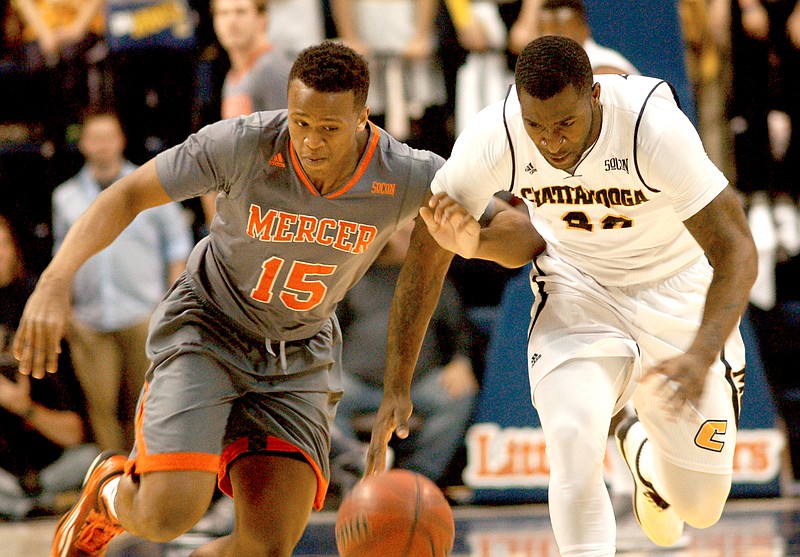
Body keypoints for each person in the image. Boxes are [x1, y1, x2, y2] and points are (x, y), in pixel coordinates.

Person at [14, 41, 449, 557]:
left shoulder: (405, 174)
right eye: (301, 122)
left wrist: (552, 235)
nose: (310, 141)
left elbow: (481, 232)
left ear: (362, 120)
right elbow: (128, 194)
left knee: (264, 548)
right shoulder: (244, 143)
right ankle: (108, 494)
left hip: (297, 354)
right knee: (168, 514)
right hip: (209, 329)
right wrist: (54, 280)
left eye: (329, 129)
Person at [365, 36, 757, 556]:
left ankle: (641, 454)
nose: (550, 141)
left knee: (701, 506)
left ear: (594, 94)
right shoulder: (497, 133)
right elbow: (426, 253)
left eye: (565, 124)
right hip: (578, 286)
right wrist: (398, 381)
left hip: (675, 286)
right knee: (572, 444)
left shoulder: (651, 128)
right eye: (537, 126)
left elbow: (738, 250)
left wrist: (702, 351)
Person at [51, 110, 193, 452]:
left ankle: (144, 484)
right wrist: (67, 315)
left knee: (145, 405)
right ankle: (112, 489)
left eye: (108, 137)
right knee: (101, 410)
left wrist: (166, 306)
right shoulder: (65, 197)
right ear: (83, 144)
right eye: (94, 138)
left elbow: (178, 247)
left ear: (121, 140)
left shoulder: (150, 184)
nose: (102, 145)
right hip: (90, 319)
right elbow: (61, 256)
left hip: (142, 314)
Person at [334, 221, 477, 486]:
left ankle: (417, 479)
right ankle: (352, 469)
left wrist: (461, 363)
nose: (404, 235)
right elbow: (328, 333)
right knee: (319, 397)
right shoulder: (355, 278)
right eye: (398, 229)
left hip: (417, 385)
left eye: (412, 230)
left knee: (458, 397)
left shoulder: (435, 281)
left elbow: (461, 333)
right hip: (356, 383)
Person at [0, 215, 100, 520]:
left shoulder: (41, 337)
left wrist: (24, 407)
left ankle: (28, 502)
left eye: (2, 245)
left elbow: (74, 432)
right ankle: (37, 504)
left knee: (92, 460)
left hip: (49, 466)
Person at [201, 0, 294, 228]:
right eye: (223, 14)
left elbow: (290, 148)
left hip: (274, 211)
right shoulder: (234, 76)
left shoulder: (271, 69)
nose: (231, 21)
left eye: (240, 12)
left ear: (262, 19)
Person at [537, 0, 639, 75]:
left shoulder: (606, 69)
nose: (548, 41)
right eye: (542, 31)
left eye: (559, 33)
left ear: (584, 30)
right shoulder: (542, 67)